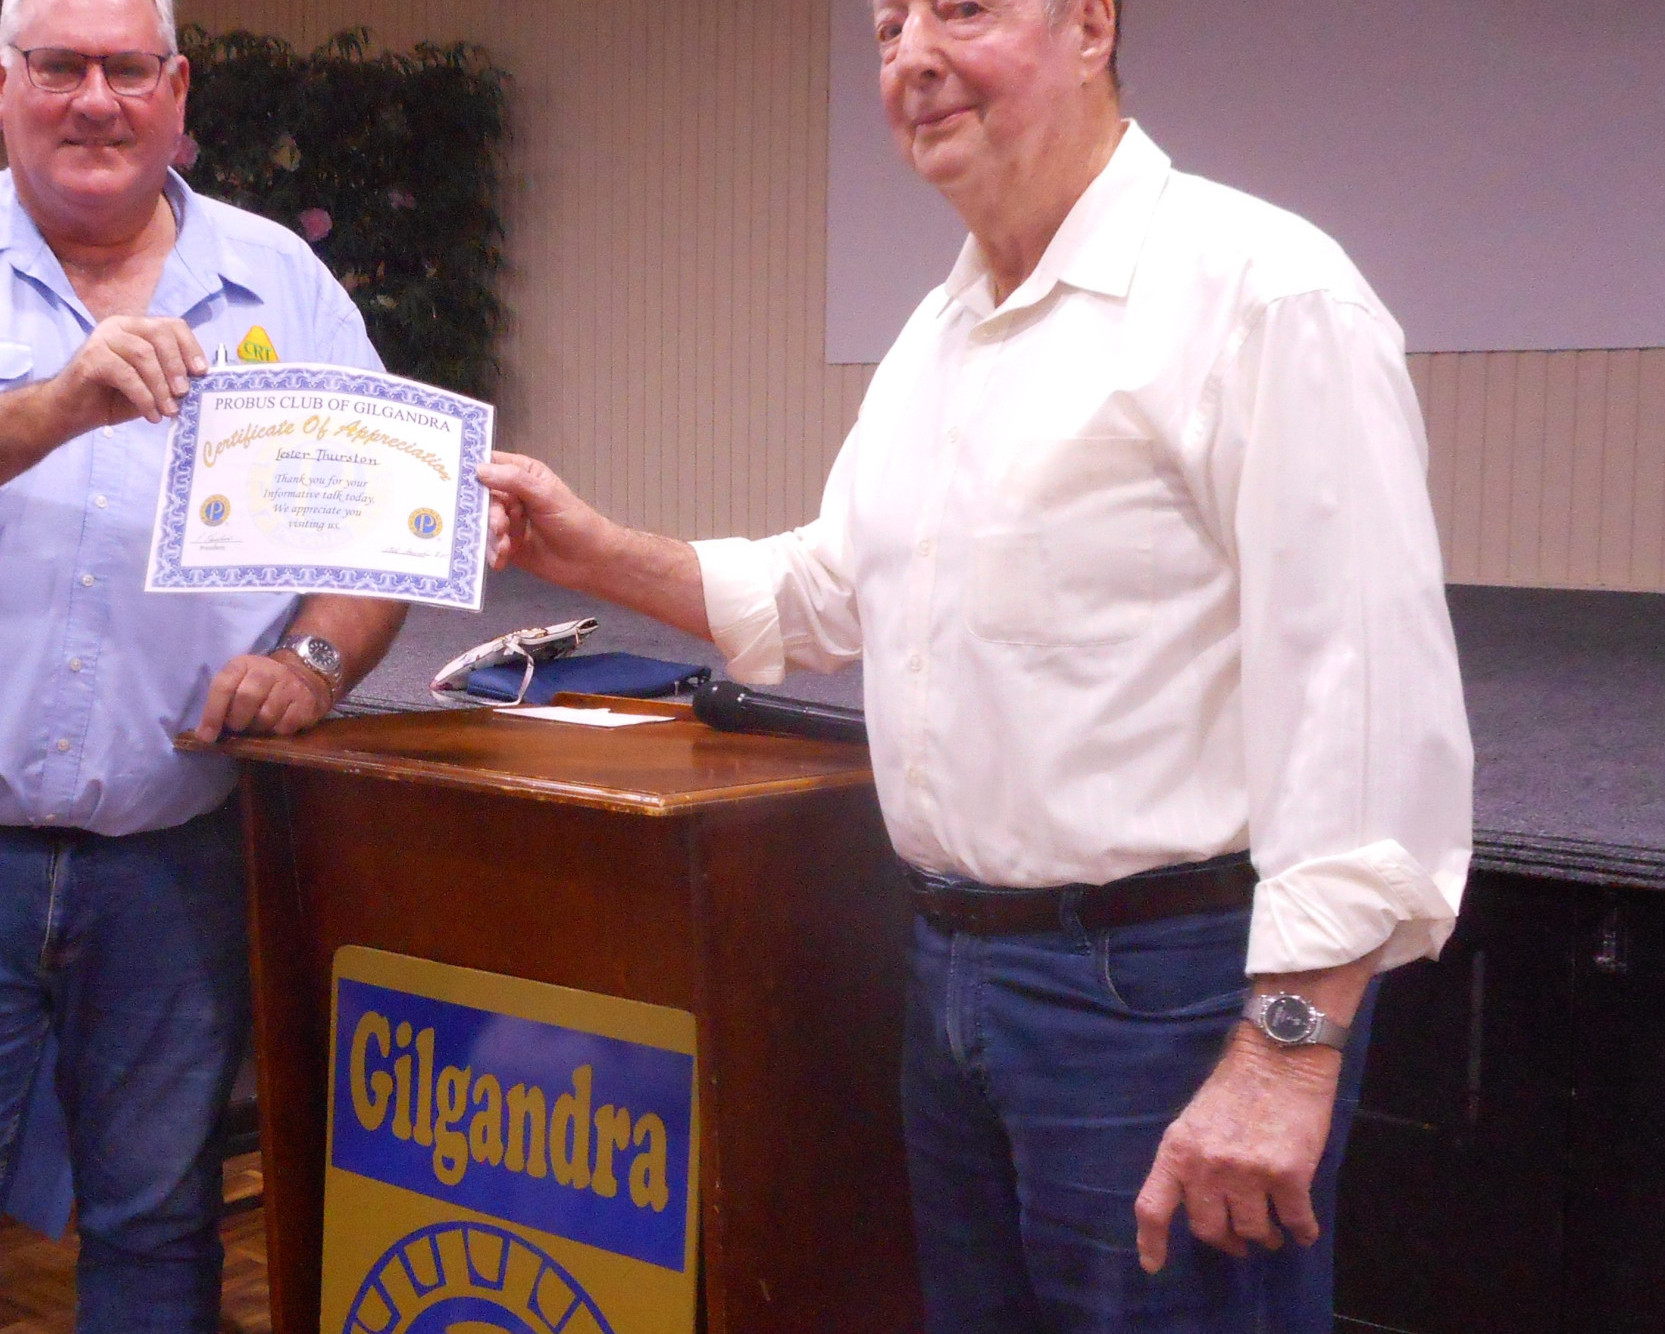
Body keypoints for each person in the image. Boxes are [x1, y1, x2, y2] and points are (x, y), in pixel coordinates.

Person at [478, 0, 1472, 1329]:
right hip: (953, 977)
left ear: (1090, 25)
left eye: (961, 8)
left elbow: (1363, 692)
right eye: (885, 26)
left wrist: (1285, 1056)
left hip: (1163, 995)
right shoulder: (934, 339)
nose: (910, 57)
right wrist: (585, 548)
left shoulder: (1261, 291)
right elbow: (824, 593)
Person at [0, 0, 403, 1327]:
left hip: (175, 859)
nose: (93, 99)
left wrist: (313, 658)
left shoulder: (281, 281)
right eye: (58, 66)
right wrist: (56, 404)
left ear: (177, 92)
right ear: (1, 83)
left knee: (160, 1235)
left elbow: (388, 531)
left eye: (126, 69)